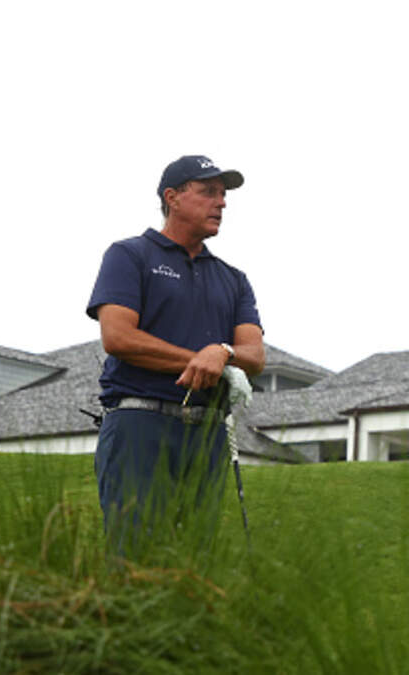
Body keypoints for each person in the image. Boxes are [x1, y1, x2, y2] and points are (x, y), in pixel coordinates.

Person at [86, 155, 265, 555]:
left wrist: (221, 351)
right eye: (208, 192)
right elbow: (118, 337)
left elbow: (254, 355)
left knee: (194, 560)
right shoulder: (129, 255)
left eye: (223, 195)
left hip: (207, 434)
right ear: (173, 197)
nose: (221, 202)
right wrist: (200, 359)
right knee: (135, 555)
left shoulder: (233, 279)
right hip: (140, 424)